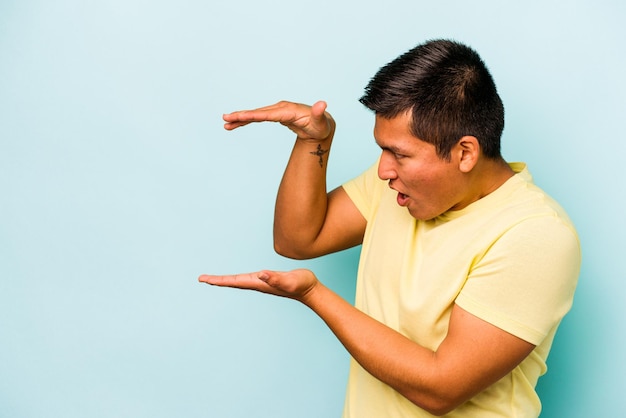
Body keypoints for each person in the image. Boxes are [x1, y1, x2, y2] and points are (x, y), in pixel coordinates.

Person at [199, 39, 580, 417]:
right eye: (383, 150)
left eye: (400, 154)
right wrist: (314, 141)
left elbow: (441, 388)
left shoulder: (535, 235)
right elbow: (297, 238)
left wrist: (315, 295)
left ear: (465, 153)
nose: (384, 170)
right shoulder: (398, 187)